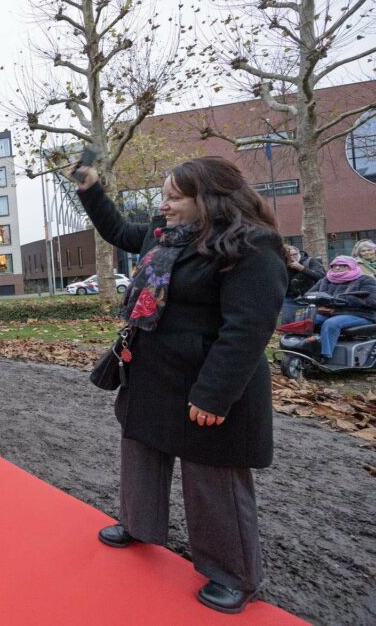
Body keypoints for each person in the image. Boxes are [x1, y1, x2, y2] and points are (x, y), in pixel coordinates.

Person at [73, 157, 286, 614]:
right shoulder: (164, 234)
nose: (164, 205)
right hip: (152, 372)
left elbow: (247, 330)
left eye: (174, 197)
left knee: (213, 478)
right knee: (141, 451)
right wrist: (91, 189)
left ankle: (233, 573)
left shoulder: (251, 245)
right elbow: (118, 231)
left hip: (207, 380)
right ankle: (139, 524)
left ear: (209, 199)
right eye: (164, 196)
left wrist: (214, 395)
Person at [305, 255, 376, 364]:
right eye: (334, 265)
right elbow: (311, 294)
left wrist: (343, 300)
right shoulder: (325, 280)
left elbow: (372, 300)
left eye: (342, 265)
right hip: (328, 313)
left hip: (360, 314)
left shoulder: (365, 280)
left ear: (351, 266)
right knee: (306, 320)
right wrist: (317, 302)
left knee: (331, 324)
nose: (337, 268)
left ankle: (325, 357)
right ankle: (303, 351)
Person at [281, 245, 326, 323]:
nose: (292, 257)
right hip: (290, 298)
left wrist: (301, 268)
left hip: (309, 298)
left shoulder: (310, 261)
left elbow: (321, 277)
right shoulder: (283, 264)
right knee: (287, 321)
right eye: (289, 256)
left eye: (294, 254)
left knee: (307, 321)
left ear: (299, 253)